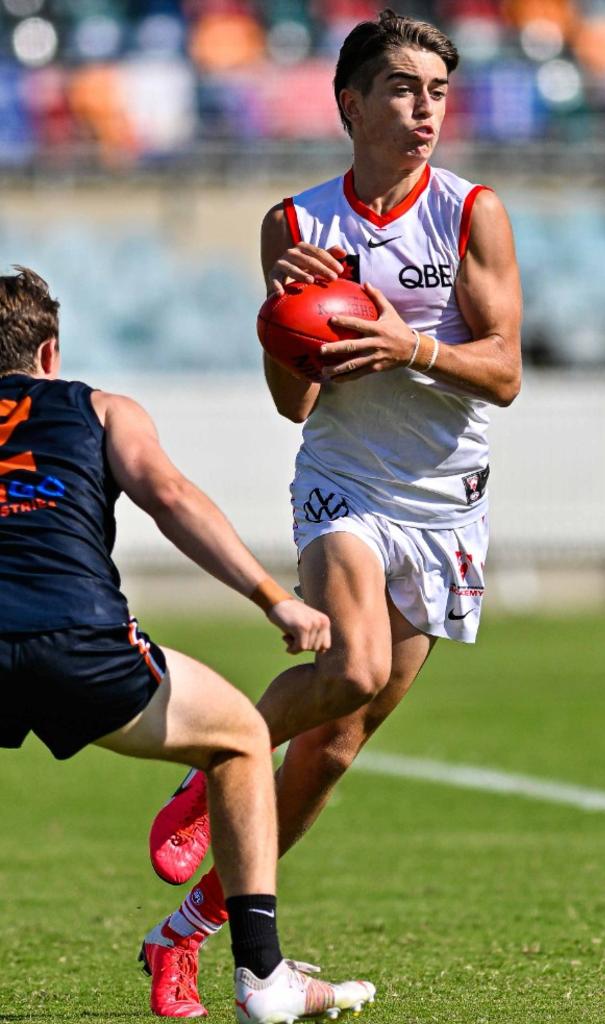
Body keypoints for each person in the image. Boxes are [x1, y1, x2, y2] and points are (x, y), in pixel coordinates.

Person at [145, 7, 522, 1017]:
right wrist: (282, 317)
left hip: (447, 501)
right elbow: (293, 400)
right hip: (344, 481)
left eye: (438, 91)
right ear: (350, 101)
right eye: (403, 88)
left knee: (339, 744)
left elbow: (506, 372)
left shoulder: (469, 211)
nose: (425, 108)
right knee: (348, 666)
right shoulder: (300, 224)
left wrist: (414, 347)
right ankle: (211, 768)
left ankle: (185, 931)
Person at [0, 267, 375, 1024]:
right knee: (239, 739)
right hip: (77, 638)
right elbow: (168, 497)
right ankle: (263, 978)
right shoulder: (100, 408)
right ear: (49, 355)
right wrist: (274, 598)